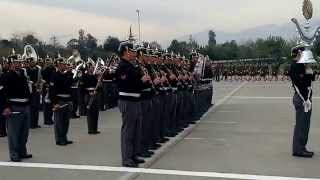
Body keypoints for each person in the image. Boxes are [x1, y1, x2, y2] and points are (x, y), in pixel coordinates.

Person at [115, 41, 146, 167]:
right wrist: (141, 81)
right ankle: (127, 158)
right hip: (127, 101)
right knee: (128, 131)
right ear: (126, 51)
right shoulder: (122, 66)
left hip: (135, 100)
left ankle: (133, 155)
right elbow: (126, 84)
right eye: (132, 51)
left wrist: (141, 80)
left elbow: (136, 80)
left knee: (136, 130)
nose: (134, 54)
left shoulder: (131, 65)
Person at [2, 55, 32, 162]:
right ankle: (14, 153)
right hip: (13, 106)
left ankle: (22, 151)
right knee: (14, 133)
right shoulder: (6, 76)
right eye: (16, 62)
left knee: (24, 132)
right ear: (10, 63)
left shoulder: (22, 75)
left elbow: (27, 90)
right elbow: (2, 93)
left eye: (19, 62)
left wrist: (29, 102)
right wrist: (5, 107)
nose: (19, 64)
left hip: (25, 106)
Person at [289, 46, 314, 158]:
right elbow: (301, 84)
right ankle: (298, 149)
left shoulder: (301, 65)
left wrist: (309, 69)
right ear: (298, 53)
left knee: (305, 125)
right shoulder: (295, 66)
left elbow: (311, 79)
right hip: (302, 99)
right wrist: (306, 99)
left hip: (306, 98)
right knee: (301, 124)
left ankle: (302, 147)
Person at [50, 58, 73, 146]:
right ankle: (59, 139)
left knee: (66, 121)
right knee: (59, 122)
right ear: (59, 65)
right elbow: (52, 91)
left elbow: (70, 85)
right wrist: (55, 103)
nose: (65, 66)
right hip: (59, 100)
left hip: (67, 99)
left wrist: (70, 74)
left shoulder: (67, 74)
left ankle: (64, 137)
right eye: (63, 64)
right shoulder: (54, 75)